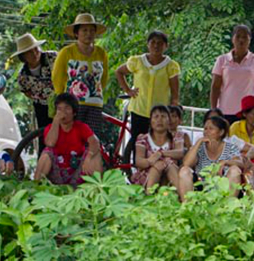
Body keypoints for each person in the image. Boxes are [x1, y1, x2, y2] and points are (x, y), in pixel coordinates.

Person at [116, 30, 180, 161]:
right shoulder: (138, 61)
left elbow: (175, 91)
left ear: (166, 46)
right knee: (137, 142)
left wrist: (174, 104)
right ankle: (133, 172)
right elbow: (119, 72)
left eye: (160, 43)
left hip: (159, 113)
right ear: (148, 44)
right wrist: (128, 90)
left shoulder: (170, 66)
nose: (156, 46)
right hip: (139, 109)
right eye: (153, 42)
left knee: (156, 143)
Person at [52, 13, 109, 139]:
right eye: (84, 30)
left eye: (91, 30)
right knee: (72, 139)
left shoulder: (101, 53)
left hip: (95, 105)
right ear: (76, 33)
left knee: (92, 141)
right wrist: (62, 102)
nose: (88, 34)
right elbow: (58, 77)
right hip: (72, 105)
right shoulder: (66, 52)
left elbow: (103, 78)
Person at [34, 93, 103, 185]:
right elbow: (50, 143)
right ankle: (35, 186)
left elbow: (95, 142)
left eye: (67, 108)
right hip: (58, 172)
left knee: (96, 154)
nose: (63, 112)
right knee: (47, 153)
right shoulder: (51, 128)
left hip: (78, 170)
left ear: (74, 112)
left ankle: (97, 188)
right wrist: (55, 121)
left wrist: (89, 157)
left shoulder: (81, 127)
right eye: (59, 109)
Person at [178, 116, 245, 200]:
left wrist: (226, 162)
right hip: (202, 188)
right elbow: (186, 164)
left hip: (223, 189)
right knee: (184, 171)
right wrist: (198, 142)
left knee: (235, 170)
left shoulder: (230, 147)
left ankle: (227, 208)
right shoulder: (200, 148)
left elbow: (241, 163)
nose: (206, 132)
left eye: (211, 129)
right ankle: (187, 207)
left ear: (221, 132)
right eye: (205, 128)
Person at [131, 105, 184, 192]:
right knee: (157, 167)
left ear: (168, 121)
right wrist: (150, 162)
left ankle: (183, 201)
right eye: (156, 116)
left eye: (163, 116)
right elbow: (138, 161)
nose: (159, 120)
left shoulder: (176, 136)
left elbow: (180, 152)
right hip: (147, 177)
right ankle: (149, 198)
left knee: (169, 165)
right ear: (151, 122)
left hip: (170, 175)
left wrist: (161, 154)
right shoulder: (143, 138)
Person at [11, 33, 56, 129]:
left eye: (36, 49)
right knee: (45, 136)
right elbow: (26, 92)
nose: (35, 53)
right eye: (30, 52)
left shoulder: (53, 58)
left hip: (63, 103)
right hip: (42, 109)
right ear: (23, 56)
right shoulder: (23, 78)